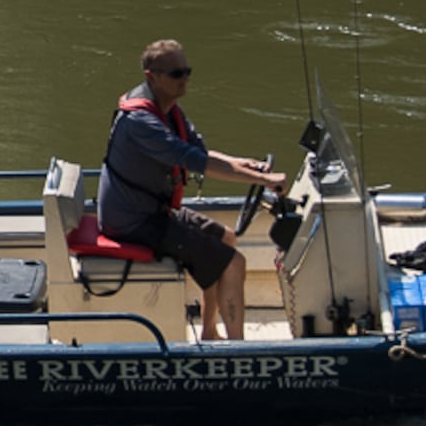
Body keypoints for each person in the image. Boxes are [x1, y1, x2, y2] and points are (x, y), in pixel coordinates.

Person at [97, 39, 289, 342]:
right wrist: (266, 182)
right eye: (175, 74)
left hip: (154, 212)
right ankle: (239, 349)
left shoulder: (170, 109)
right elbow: (194, 161)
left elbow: (200, 150)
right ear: (152, 76)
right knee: (233, 261)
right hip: (133, 221)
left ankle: (210, 331)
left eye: (186, 71)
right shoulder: (141, 121)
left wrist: (246, 165)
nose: (184, 79)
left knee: (226, 236)